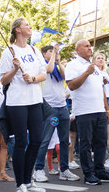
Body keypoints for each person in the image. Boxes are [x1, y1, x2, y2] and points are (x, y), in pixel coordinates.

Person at [0, 18, 48, 192]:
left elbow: (44, 73)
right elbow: (4, 80)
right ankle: (20, 185)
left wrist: (33, 78)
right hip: (17, 102)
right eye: (28, 25)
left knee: (36, 140)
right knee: (21, 142)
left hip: (35, 100)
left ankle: (28, 180)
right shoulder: (9, 51)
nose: (31, 27)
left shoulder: (34, 50)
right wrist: (14, 69)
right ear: (18, 30)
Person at [65, 39, 109, 186]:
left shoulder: (94, 67)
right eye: (86, 46)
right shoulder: (73, 65)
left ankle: (100, 170)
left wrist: (106, 109)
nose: (90, 48)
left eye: (90, 45)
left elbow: (101, 89)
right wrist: (87, 73)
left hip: (99, 109)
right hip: (84, 110)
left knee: (100, 142)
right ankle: (88, 174)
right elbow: (72, 85)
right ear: (77, 50)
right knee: (85, 143)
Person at [33, 44, 80, 182]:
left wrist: (59, 61)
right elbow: (49, 69)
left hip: (62, 108)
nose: (53, 53)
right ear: (44, 54)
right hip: (50, 109)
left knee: (64, 140)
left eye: (52, 51)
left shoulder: (57, 67)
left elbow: (66, 76)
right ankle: (38, 169)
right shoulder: (41, 65)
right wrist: (54, 54)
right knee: (46, 139)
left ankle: (64, 169)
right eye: (49, 51)